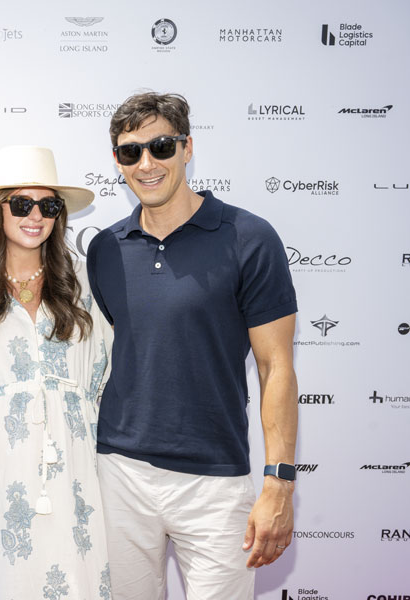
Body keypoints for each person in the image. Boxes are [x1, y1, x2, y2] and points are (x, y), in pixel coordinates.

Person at [87, 92, 298, 599]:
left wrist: (279, 481)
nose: (146, 163)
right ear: (117, 162)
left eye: (160, 146)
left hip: (214, 479)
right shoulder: (104, 249)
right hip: (119, 473)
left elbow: (276, 368)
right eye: (129, 152)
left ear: (187, 148)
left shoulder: (248, 237)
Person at [0, 146, 114, 600]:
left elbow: (106, 378)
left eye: (48, 205)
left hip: (77, 468)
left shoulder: (87, 284)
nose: (36, 216)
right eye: (21, 204)